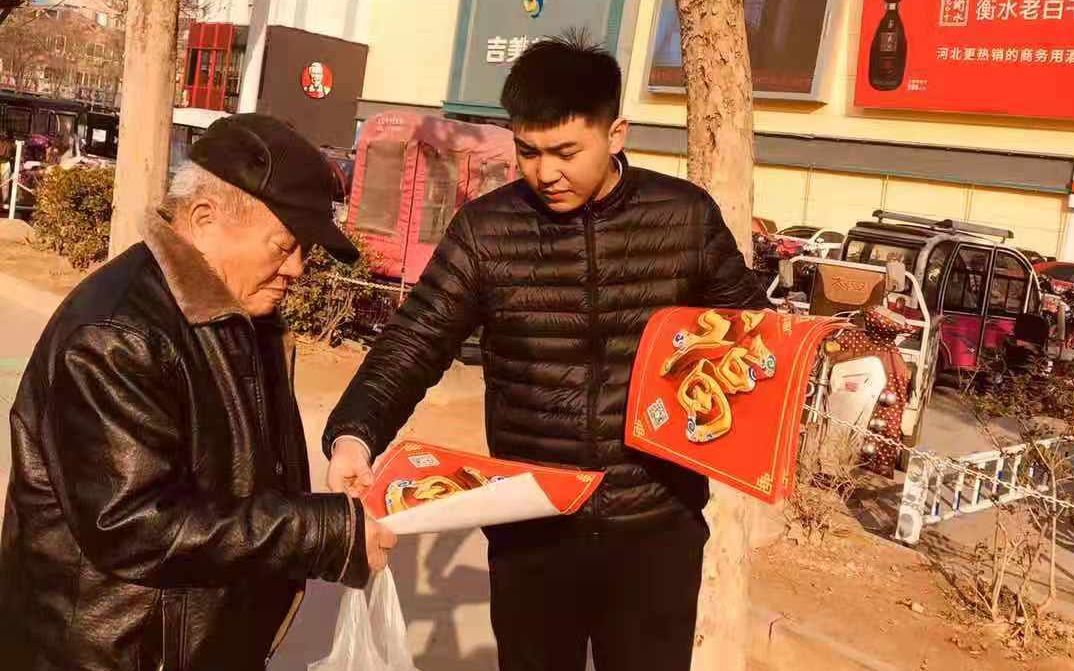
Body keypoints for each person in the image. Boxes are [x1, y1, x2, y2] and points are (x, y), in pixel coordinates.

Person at [323, 37, 768, 671]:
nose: (545, 173)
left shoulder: (685, 217)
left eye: (566, 152)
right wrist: (354, 435)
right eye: (527, 152)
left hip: (656, 527)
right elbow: (416, 339)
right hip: (531, 525)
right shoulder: (487, 229)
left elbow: (752, 337)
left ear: (616, 134)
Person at [0, 113, 397, 669]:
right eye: (284, 246)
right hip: (117, 653)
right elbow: (134, 525)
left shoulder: (243, 312)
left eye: (305, 248)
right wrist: (324, 531)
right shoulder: (118, 336)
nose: (297, 268)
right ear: (205, 219)